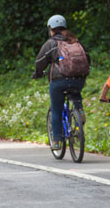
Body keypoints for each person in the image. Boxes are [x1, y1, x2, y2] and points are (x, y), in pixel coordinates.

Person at [33, 15, 90, 151]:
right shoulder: (75, 41)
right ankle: (79, 109)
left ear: (51, 29)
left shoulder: (51, 44)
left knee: (56, 110)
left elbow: (40, 61)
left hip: (59, 81)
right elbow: (87, 57)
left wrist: (38, 73)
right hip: (78, 80)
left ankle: (57, 141)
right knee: (75, 92)